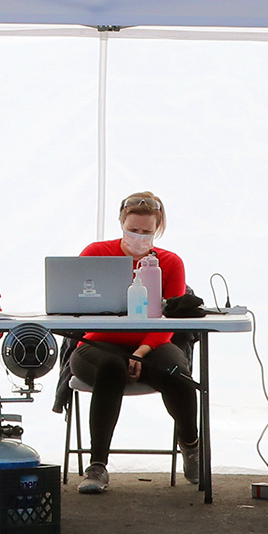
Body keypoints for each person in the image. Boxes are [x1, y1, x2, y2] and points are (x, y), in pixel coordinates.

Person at [70, 190, 201, 493]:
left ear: (158, 229)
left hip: (152, 342)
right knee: (111, 368)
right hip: (97, 344)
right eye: (133, 230)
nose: (139, 237)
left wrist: (142, 352)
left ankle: (191, 444)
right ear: (120, 223)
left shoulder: (170, 262)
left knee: (177, 373)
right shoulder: (96, 253)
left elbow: (167, 320)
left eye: (146, 231)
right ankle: (97, 465)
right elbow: (74, 306)